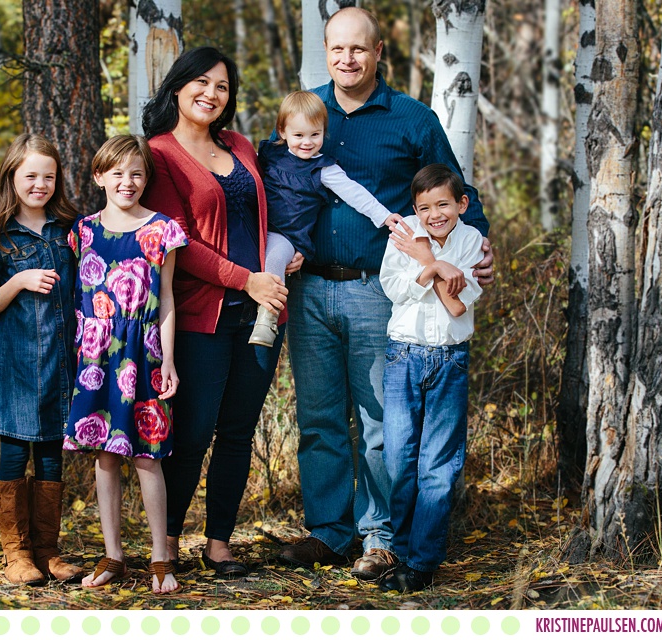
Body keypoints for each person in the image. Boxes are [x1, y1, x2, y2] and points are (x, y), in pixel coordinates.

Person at [278, 7, 494, 582]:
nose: (347, 59)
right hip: (308, 289)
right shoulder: (307, 111)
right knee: (320, 418)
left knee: (379, 422)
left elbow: (457, 192)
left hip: (383, 291)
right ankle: (329, 531)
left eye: (358, 49)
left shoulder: (411, 119)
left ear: (378, 53)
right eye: (337, 49)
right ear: (326, 51)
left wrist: (477, 249)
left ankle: (380, 536)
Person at [140, 46, 293, 578]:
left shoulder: (241, 145)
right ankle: (171, 539)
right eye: (201, 83)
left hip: (261, 313)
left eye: (222, 86)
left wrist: (282, 254)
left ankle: (220, 541)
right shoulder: (159, 154)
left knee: (238, 430)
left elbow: (267, 210)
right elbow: (176, 240)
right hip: (202, 314)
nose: (211, 93)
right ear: (178, 88)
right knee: (194, 430)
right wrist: (244, 279)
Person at [65, 135, 186, 595]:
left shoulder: (162, 229)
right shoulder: (83, 231)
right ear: (99, 177)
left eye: (136, 173)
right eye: (116, 173)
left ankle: (160, 557)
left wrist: (169, 360)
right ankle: (113, 555)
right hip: (96, 351)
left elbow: (168, 298)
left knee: (146, 455)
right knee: (105, 455)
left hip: (144, 350)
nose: (127, 182)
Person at [0, 133, 83, 585]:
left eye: (48, 176)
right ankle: (16, 555)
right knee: (15, 454)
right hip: (16, 367)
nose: (40, 184)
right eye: (30, 175)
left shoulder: (70, 229)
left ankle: (48, 552)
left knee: (53, 456)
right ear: (12, 177)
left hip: (61, 361)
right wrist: (19, 281)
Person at [376, 164, 483, 592]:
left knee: (437, 466)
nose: (434, 214)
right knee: (399, 460)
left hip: (450, 360)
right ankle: (400, 552)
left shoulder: (472, 240)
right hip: (404, 356)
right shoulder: (403, 236)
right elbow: (394, 288)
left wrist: (429, 265)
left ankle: (422, 562)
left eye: (443, 204)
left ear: (461, 204)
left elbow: (465, 296)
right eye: (424, 207)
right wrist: (432, 265)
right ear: (415, 209)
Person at [251, 90, 402, 347]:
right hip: (256, 227)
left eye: (315, 134)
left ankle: (268, 317)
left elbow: (354, 193)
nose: (307, 142)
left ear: (324, 132)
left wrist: (384, 216)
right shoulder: (269, 154)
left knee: (274, 257)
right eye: (298, 135)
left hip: (287, 235)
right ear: (282, 131)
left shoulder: (323, 168)